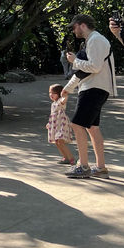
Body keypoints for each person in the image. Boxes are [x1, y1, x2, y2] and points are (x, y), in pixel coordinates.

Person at [61, 14, 116, 179]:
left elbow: (94, 67)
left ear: (82, 25)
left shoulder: (96, 40)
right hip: (94, 88)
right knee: (92, 128)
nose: (73, 30)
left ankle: (83, 166)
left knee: (77, 125)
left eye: (74, 26)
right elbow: (82, 72)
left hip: (94, 89)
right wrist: (67, 89)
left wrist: (74, 60)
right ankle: (100, 168)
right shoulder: (91, 41)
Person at [46, 84, 75, 165]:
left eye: (53, 93)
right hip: (55, 124)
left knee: (60, 141)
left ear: (59, 93)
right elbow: (52, 114)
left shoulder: (60, 101)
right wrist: (49, 123)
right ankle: (65, 157)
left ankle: (71, 158)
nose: (51, 95)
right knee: (57, 142)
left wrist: (65, 94)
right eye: (50, 93)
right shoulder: (53, 104)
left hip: (61, 124)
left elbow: (64, 99)